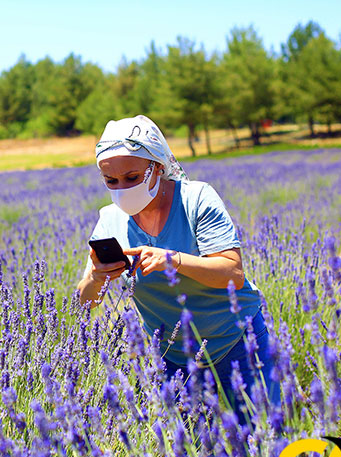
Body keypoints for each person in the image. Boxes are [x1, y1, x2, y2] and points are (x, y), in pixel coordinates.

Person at [76, 115, 281, 430]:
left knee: (265, 433)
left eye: (132, 177)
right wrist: (98, 276)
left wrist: (174, 260)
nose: (121, 189)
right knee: (195, 451)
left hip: (236, 338)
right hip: (174, 356)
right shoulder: (110, 221)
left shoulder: (196, 199)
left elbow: (232, 272)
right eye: (111, 181)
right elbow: (86, 300)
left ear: (158, 168)